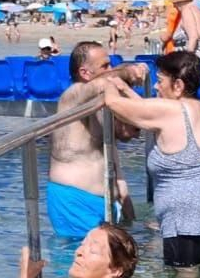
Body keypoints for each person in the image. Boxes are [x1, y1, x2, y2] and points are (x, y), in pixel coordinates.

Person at [101, 50, 200, 277]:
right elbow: (147, 112)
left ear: (178, 85)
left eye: (160, 81)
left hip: (187, 208)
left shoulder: (170, 111)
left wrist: (107, 79)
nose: (155, 86)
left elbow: (112, 103)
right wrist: (126, 89)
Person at [47, 42, 141, 238]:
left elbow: (126, 136)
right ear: (85, 72)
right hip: (74, 200)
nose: (110, 71)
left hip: (104, 201)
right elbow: (101, 82)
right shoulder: (72, 96)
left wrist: (126, 206)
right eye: (105, 66)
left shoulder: (98, 104)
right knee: (82, 260)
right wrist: (129, 71)